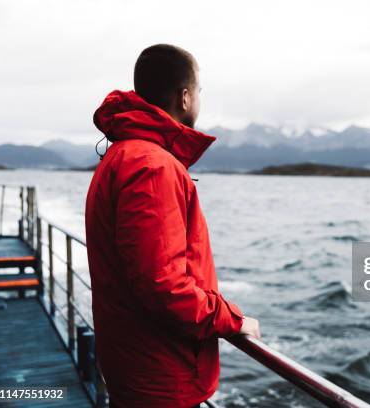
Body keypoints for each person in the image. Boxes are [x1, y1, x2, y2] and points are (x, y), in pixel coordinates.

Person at [85, 44, 261, 408]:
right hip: (159, 379)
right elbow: (162, 286)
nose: (198, 100)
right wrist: (232, 320)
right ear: (184, 97)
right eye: (198, 92)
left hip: (133, 366)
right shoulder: (152, 166)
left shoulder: (124, 155)